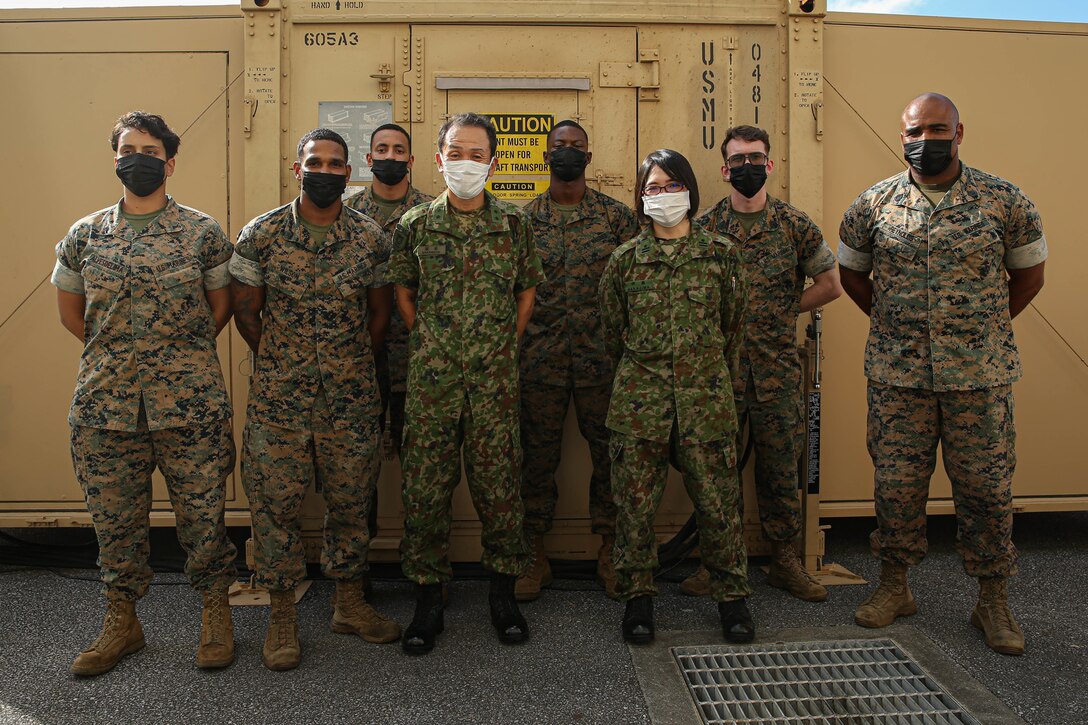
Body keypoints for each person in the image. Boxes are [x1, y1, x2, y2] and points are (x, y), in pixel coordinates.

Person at [838, 93, 1047, 656]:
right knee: (896, 487)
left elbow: (1029, 276)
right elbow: (853, 277)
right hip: (898, 377)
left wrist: (980, 328)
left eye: (936, 129)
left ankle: (992, 601)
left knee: (986, 490)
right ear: (901, 134)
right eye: (914, 130)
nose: (923, 140)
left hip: (979, 378)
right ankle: (895, 588)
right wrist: (897, 325)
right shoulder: (873, 204)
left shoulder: (1004, 200)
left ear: (958, 134)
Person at [53, 111, 238, 675]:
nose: (139, 157)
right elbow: (72, 312)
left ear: (169, 162)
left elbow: (222, 305)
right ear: (116, 159)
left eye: (150, 150)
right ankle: (122, 623)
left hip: (190, 406)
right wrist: (123, 357)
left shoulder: (202, 232)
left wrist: (174, 357)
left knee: (203, 519)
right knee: (115, 525)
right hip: (106, 408)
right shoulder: (85, 235)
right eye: (128, 148)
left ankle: (214, 614)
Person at [230, 128, 399, 671]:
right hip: (279, 400)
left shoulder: (370, 238)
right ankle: (282, 616)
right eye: (314, 162)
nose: (324, 171)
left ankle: (349, 603)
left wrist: (345, 361)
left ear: (349, 173)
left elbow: (379, 317)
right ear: (297, 168)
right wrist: (286, 359)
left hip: (350, 397)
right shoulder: (262, 234)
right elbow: (246, 313)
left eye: (334, 164)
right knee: (274, 508)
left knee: (351, 503)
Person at [389, 112, 546, 654]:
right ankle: (428, 604)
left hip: (493, 384)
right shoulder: (415, 225)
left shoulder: (515, 225)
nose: (466, 163)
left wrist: (504, 340)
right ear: (438, 158)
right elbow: (403, 293)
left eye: (477, 154)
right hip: (432, 385)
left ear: (493, 162)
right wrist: (431, 339)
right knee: (425, 493)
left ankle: (503, 599)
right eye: (456, 152)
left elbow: (527, 291)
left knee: (500, 492)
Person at [683, 125, 843, 602]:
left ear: (769, 165)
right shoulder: (706, 228)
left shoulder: (794, 225)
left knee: (778, 472)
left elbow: (831, 284)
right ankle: (720, 564)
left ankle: (784, 562)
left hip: (775, 374)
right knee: (717, 473)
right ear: (724, 168)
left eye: (756, 158)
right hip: (721, 377)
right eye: (738, 160)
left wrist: (781, 309)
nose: (747, 167)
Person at [599, 149, 752, 645]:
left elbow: (732, 327)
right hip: (638, 406)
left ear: (689, 190)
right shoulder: (624, 262)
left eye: (671, 185)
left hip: (704, 402)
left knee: (719, 506)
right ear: (641, 198)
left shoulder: (721, 256)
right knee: (635, 509)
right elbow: (612, 334)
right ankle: (638, 601)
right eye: (652, 187)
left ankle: (732, 600)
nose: (662, 195)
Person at [516, 120, 639, 601]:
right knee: (535, 459)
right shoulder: (524, 221)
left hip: (602, 363)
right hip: (540, 364)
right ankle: (533, 554)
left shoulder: (616, 219)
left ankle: (611, 549)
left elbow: (635, 285)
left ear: (589, 157)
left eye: (576, 147)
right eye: (558, 147)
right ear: (546, 156)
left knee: (611, 458)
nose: (567, 153)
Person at [345, 123, 435, 458]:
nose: (390, 157)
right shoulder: (347, 214)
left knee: (422, 459)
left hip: (418, 357)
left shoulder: (432, 214)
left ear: (410, 160)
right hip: (360, 358)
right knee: (356, 463)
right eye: (382, 150)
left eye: (398, 151)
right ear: (369, 157)